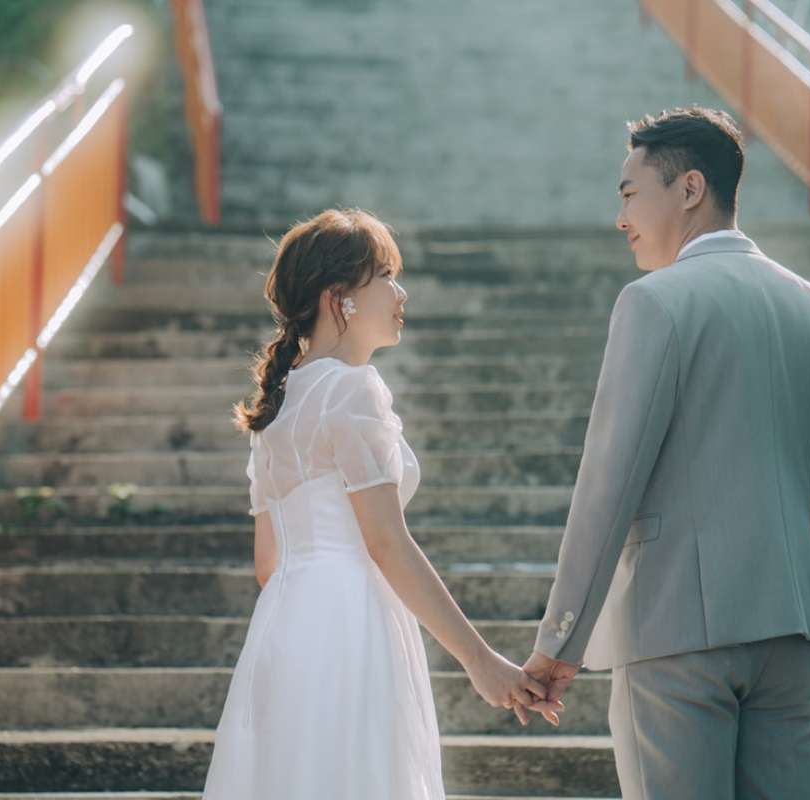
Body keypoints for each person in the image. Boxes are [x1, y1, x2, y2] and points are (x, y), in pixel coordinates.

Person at [519, 108, 810, 799]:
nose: (620, 217)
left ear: (689, 189)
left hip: (675, 633)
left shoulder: (654, 302)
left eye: (629, 194)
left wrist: (560, 642)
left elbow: (608, 486)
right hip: (792, 640)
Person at [202, 208, 554, 800]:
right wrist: (479, 659)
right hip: (350, 622)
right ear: (339, 296)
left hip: (284, 629)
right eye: (386, 275)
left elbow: (269, 565)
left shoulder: (275, 412)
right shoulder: (351, 387)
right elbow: (386, 542)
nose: (401, 292)